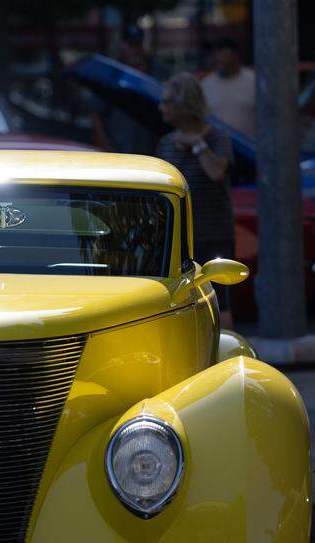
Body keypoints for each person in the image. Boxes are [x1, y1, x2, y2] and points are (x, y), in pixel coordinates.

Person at [156, 72, 236, 328]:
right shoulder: (165, 142)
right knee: (182, 302)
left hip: (213, 233)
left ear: (185, 102)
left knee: (219, 302)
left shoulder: (217, 138)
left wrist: (198, 145)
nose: (161, 107)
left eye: (167, 101)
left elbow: (217, 172)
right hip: (178, 239)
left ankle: (223, 350)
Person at [89, 27, 158, 155]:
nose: (135, 50)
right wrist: (107, 148)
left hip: (152, 152)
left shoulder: (158, 73)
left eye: (137, 45)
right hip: (119, 151)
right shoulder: (110, 75)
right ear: (122, 45)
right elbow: (96, 116)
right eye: (130, 45)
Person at [200, 38, 255, 139]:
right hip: (217, 146)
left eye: (222, 53)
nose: (218, 58)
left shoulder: (254, 82)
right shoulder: (205, 85)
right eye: (215, 54)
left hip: (251, 146)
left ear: (235, 55)